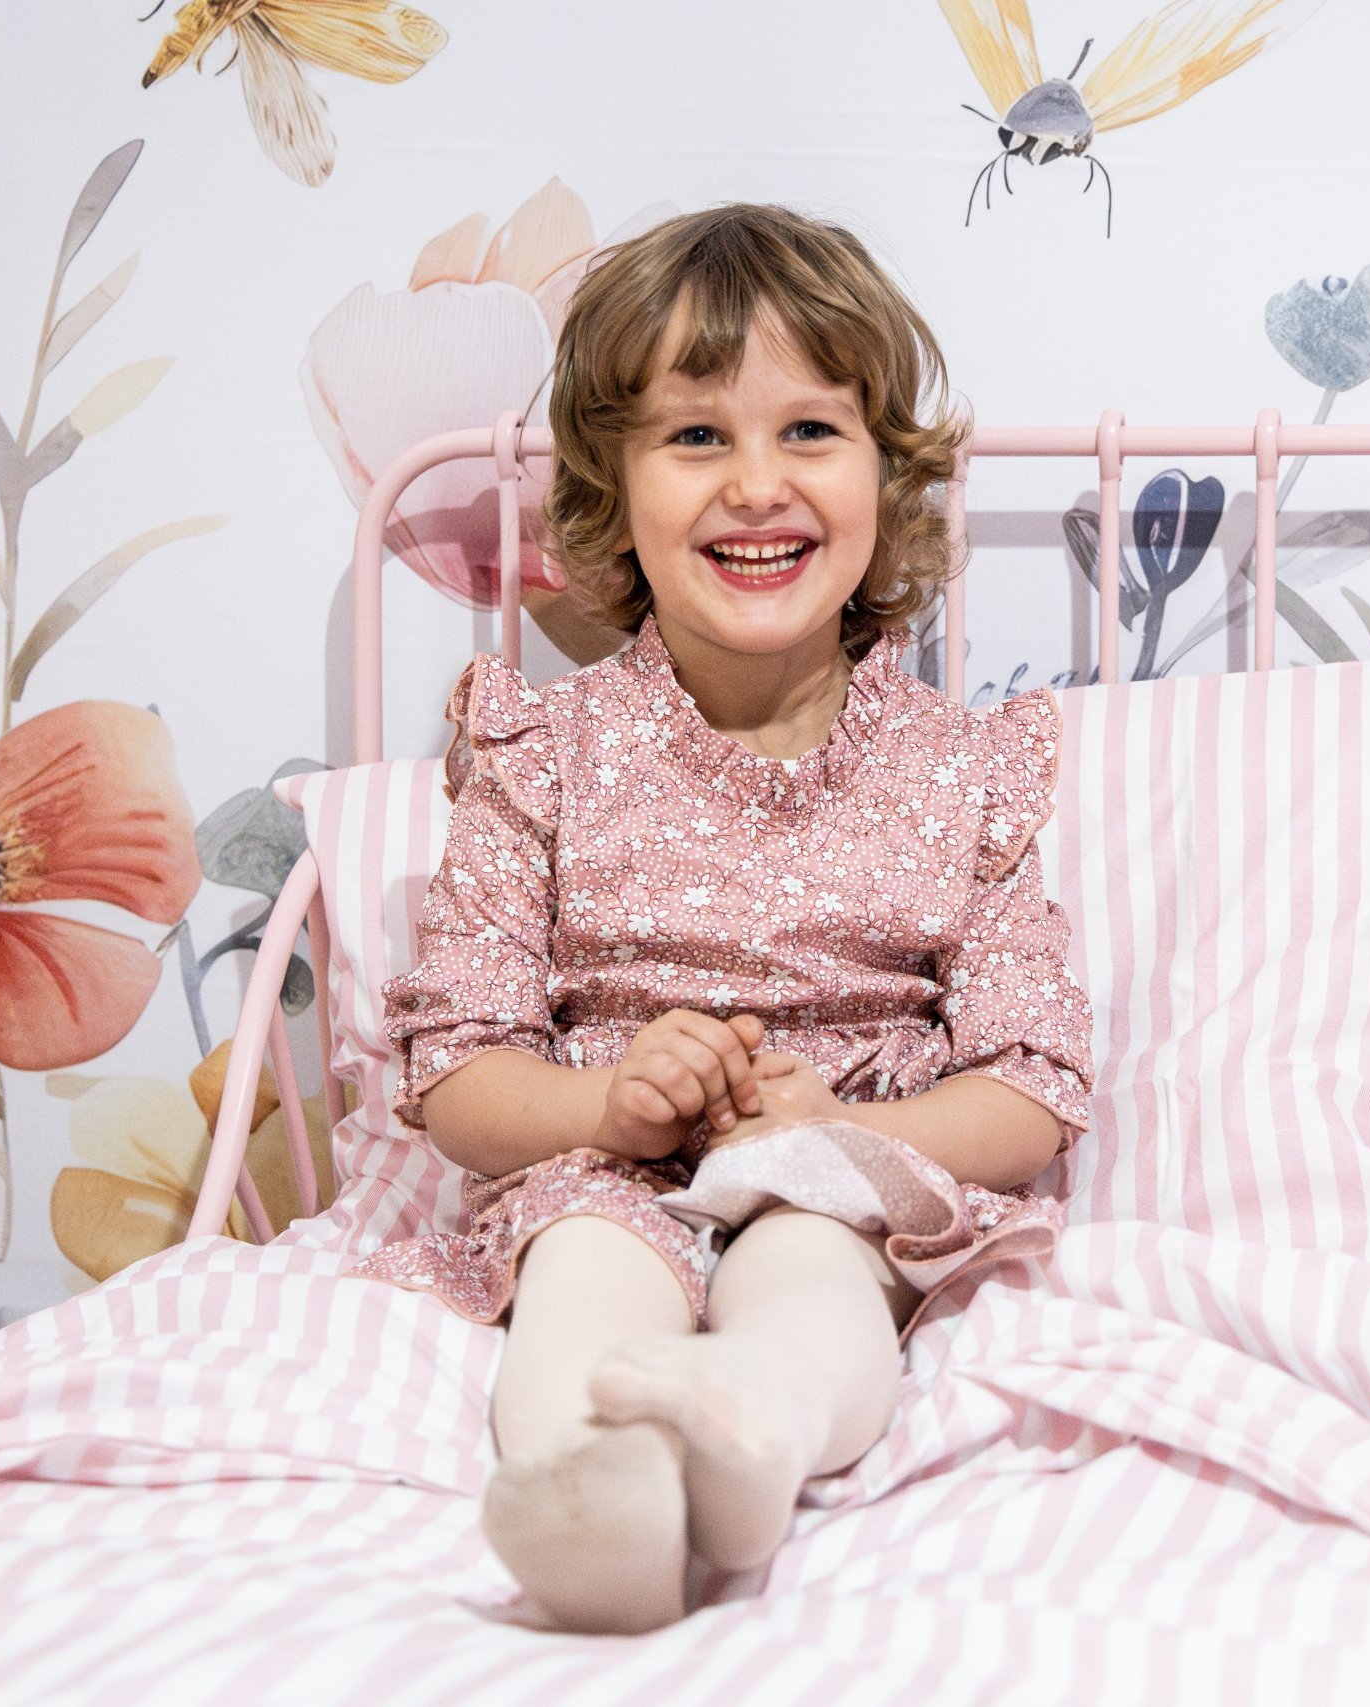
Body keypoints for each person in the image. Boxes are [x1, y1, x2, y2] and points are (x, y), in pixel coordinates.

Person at [347, 203, 1094, 1634]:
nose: (757, 485)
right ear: (613, 486)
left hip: (837, 1181)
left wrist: (843, 1137)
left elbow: (1033, 1090)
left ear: (887, 472)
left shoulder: (961, 772)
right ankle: (596, 1499)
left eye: (809, 430)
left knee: (817, 1276)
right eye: (696, 436)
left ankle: (756, 1434)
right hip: (599, 1176)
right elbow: (459, 1080)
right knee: (582, 1275)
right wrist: (609, 1111)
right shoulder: (539, 756)